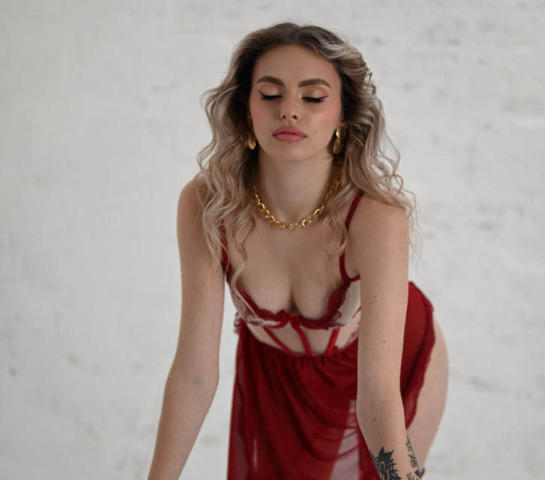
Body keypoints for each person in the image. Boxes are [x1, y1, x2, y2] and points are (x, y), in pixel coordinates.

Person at [147, 22, 449, 480]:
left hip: (383, 368)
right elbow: (194, 372)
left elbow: (378, 398)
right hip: (274, 382)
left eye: (313, 97)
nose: (289, 110)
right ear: (246, 109)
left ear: (343, 117)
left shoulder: (375, 219)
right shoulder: (208, 205)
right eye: (270, 94)